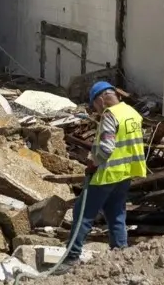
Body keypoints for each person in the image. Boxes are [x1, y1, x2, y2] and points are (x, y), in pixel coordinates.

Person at [51, 81, 148, 275]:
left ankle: (71, 257)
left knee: (82, 214)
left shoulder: (110, 115)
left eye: (95, 104)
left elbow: (107, 147)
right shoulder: (132, 113)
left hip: (107, 174)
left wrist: (93, 164)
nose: (96, 109)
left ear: (101, 99)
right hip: (126, 173)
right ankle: (120, 254)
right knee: (116, 214)